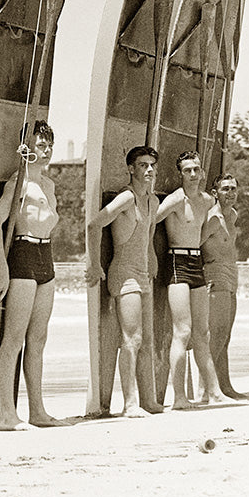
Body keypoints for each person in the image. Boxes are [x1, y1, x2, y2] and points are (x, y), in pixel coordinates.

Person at [0, 120, 60, 429]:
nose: (46, 151)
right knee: (13, 337)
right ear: (26, 148)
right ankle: (5, 414)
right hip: (23, 254)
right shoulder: (18, 182)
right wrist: (2, 269)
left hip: (46, 257)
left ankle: (37, 410)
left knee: (38, 338)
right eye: (39, 145)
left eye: (48, 145)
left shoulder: (49, 185)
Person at [85, 145, 162, 417]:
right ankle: (129, 403)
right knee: (131, 339)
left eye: (152, 165)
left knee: (147, 340)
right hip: (124, 274)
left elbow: (149, 232)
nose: (149, 170)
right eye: (143, 165)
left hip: (143, 274)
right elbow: (95, 224)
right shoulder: (127, 198)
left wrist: (151, 256)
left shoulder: (152, 201)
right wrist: (94, 265)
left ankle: (147, 400)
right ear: (131, 169)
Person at [156, 150, 228, 409]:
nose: (193, 175)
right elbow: (149, 222)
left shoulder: (207, 201)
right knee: (182, 331)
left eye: (196, 169)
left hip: (196, 261)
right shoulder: (176, 200)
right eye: (187, 170)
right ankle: (178, 397)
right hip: (176, 261)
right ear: (181, 174)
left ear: (202, 172)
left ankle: (213, 390)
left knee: (202, 332)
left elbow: (211, 228)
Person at [201, 173, 247, 399]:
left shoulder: (233, 215)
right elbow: (195, 244)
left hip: (231, 274)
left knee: (226, 334)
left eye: (233, 189)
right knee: (216, 333)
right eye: (225, 189)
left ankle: (225, 385)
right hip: (215, 273)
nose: (231, 193)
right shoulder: (213, 219)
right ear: (215, 193)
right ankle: (206, 387)